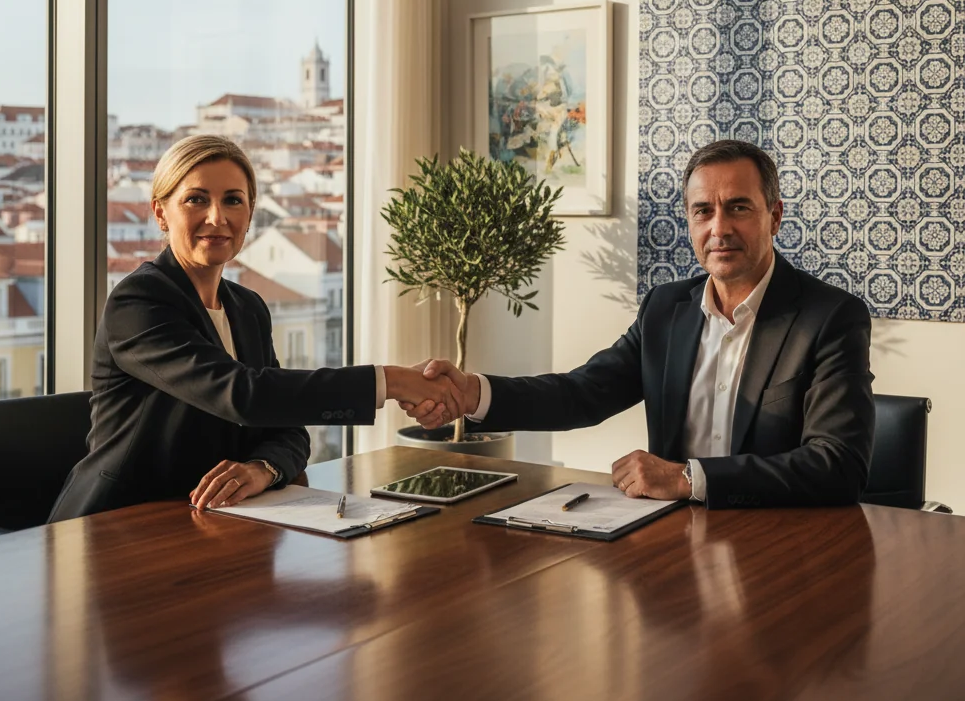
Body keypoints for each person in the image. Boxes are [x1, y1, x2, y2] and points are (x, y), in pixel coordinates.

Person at [405, 140, 875, 508]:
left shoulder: (830, 317)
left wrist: (688, 479)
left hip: (779, 545)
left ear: (774, 217)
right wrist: (472, 393)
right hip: (671, 542)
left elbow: (836, 466)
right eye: (702, 211)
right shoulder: (665, 309)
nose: (719, 228)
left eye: (738, 207)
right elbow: (582, 393)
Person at [50, 135, 463, 521]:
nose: (217, 217)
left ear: (250, 213)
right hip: (120, 523)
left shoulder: (247, 307)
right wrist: (388, 381)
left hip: (217, 519)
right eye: (196, 199)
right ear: (160, 211)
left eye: (233, 200)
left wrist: (261, 469)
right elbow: (243, 394)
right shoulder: (138, 301)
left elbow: (288, 429)